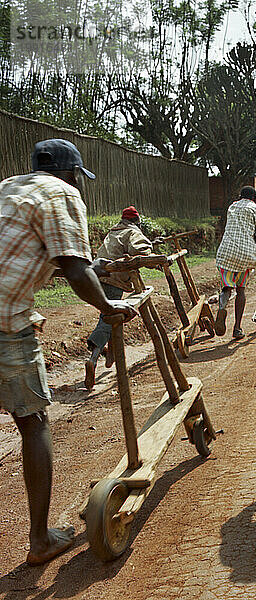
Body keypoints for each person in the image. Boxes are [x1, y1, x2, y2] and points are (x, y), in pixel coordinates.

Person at [0, 139, 136, 565]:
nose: (80, 182)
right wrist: (109, 307)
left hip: (12, 307)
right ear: (68, 173)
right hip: (5, 321)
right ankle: (40, 540)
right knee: (33, 420)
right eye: (79, 176)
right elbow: (76, 269)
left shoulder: (8, 188)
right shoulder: (62, 193)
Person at [85, 205, 155, 390]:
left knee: (107, 314)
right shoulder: (132, 232)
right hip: (114, 280)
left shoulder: (113, 232)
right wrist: (150, 249)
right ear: (136, 222)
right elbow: (142, 250)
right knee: (108, 318)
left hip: (98, 278)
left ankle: (110, 357)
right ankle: (92, 358)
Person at [215, 185, 256, 339]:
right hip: (245, 254)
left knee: (227, 287)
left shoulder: (232, 207)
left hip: (226, 251)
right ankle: (237, 328)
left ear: (240, 196)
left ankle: (221, 308)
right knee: (241, 290)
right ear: (254, 198)